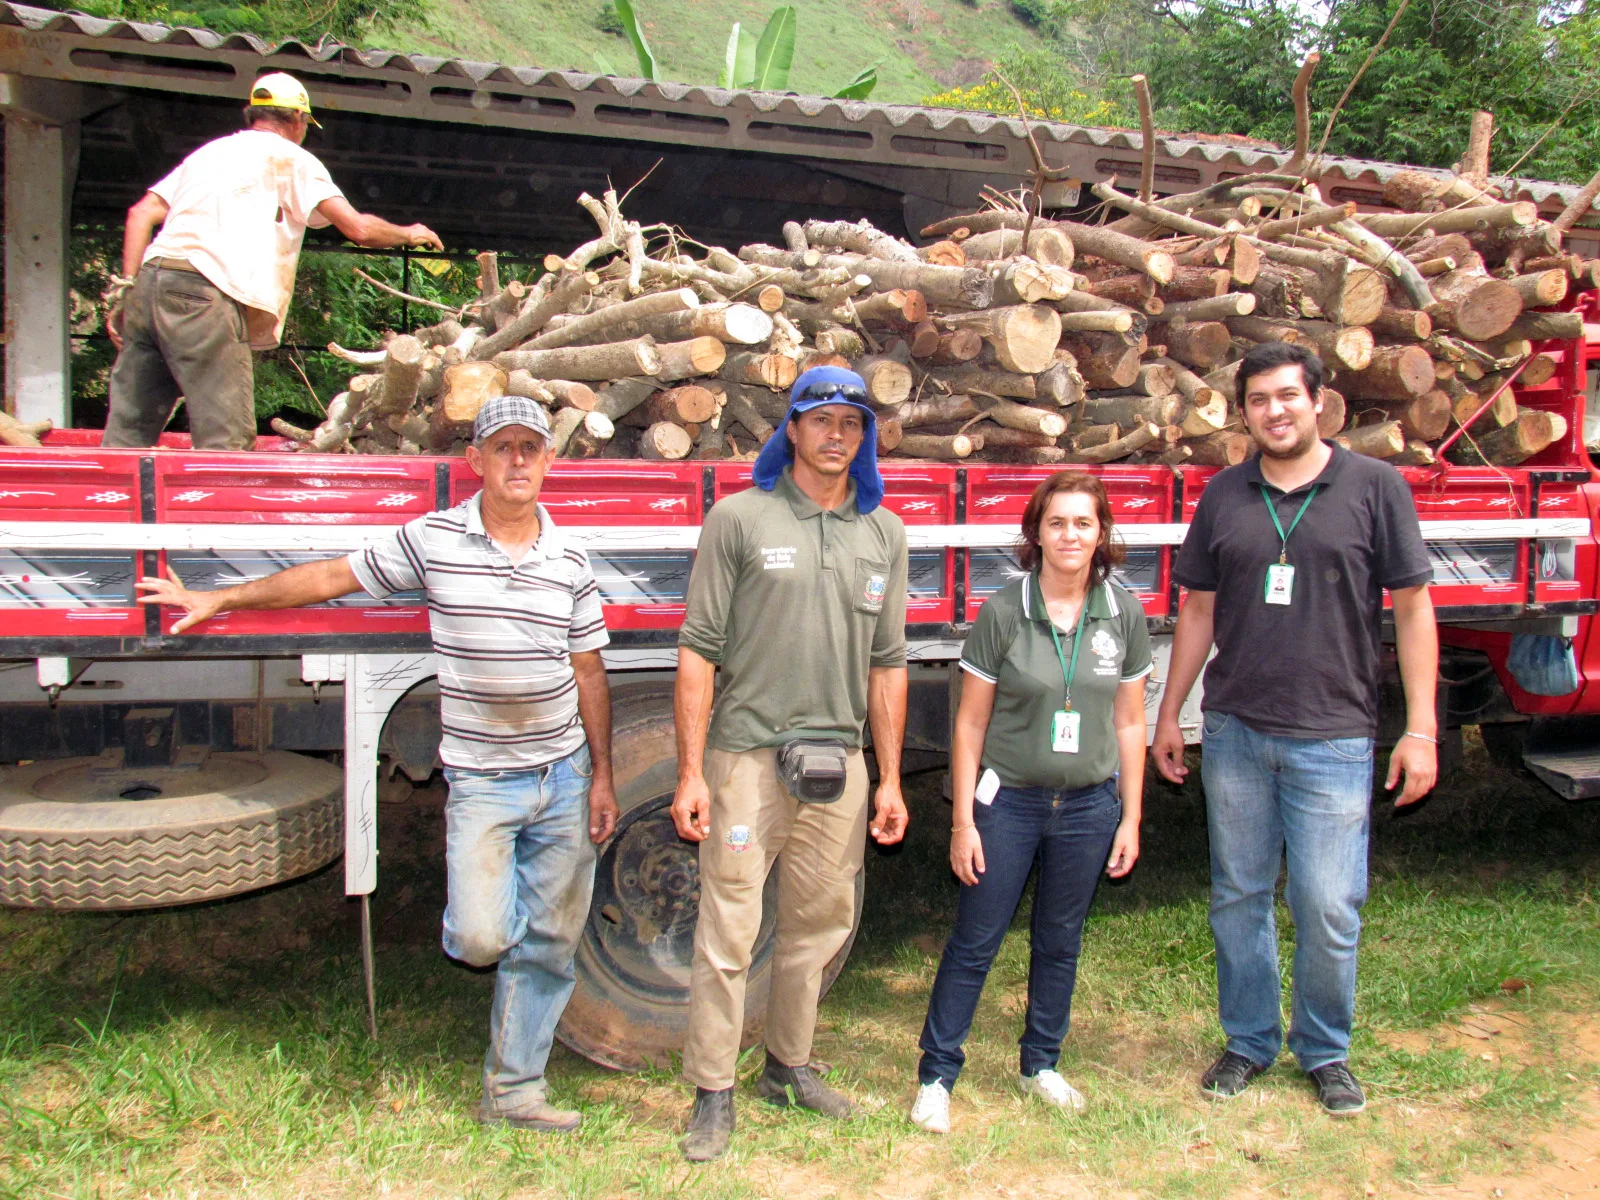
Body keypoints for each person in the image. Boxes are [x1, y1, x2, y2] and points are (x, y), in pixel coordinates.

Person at [135, 396, 618, 1132]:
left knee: (552, 942)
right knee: (484, 938)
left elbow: (589, 671)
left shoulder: (572, 560)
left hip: (562, 773)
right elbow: (332, 576)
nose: (518, 461)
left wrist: (604, 777)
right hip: (484, 780)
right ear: (477, 462)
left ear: (549, 461)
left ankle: (513, 1092)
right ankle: (513, 933)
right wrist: (222, 596)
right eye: (503, 448)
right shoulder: (435, 539)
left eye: (532, 448)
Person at [1152, 341, 1438, 1116]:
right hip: (1237, 729)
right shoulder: (1224, 496)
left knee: (1326, 904)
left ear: (1319, 402)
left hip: (1335, 734)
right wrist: (1170, 713)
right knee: (1238, 896)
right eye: (1259, 401)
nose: (1275, 411)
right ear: (1243, 414)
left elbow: (1413, 608)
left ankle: (1325, 1050)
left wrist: (1423, 729)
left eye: (1287, 396)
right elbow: (1198, 611)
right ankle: (1248, 1041)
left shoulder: (1374, 487)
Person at [669, 365, 910, 1162]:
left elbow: (889, 663)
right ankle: (712, 1091)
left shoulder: (885, 533)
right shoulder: (739, 518)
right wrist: (692, 770)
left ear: (864, 436)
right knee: (729, 930)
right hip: (745, 761)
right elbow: (698, 650)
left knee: (817, 927)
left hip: (840, 767)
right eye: (821, 419)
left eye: (852, 422)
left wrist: (892, 778)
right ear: (793, 429)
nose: (836, 434)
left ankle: (788, 1066)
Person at [909, 472, 1150, 1135]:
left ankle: (1040, 1063)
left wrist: (1130, 815)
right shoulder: (1003, 611)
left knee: (1059, 941)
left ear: (1102, 533)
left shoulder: (1123, 612)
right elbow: (968, 726)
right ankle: (936, 1075)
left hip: (1089, 807)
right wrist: (963, 820)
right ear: (1035, 533)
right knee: (976, 940)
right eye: (1056, 522)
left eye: (1083, 523)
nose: (1070, 535)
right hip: (1006, 803)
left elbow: (1131, 724)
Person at [103, 71, 443, 451]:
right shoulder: (291, 158)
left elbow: (140, 214)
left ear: (254, 115)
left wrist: (125, 290)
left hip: (149, 284)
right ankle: (216, 511)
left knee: (127, 432)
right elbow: (359, 229)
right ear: (298, 121)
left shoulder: (209, 154)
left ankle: (105, 507)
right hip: (202, 291)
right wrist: (409, 232)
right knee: (225, 438)